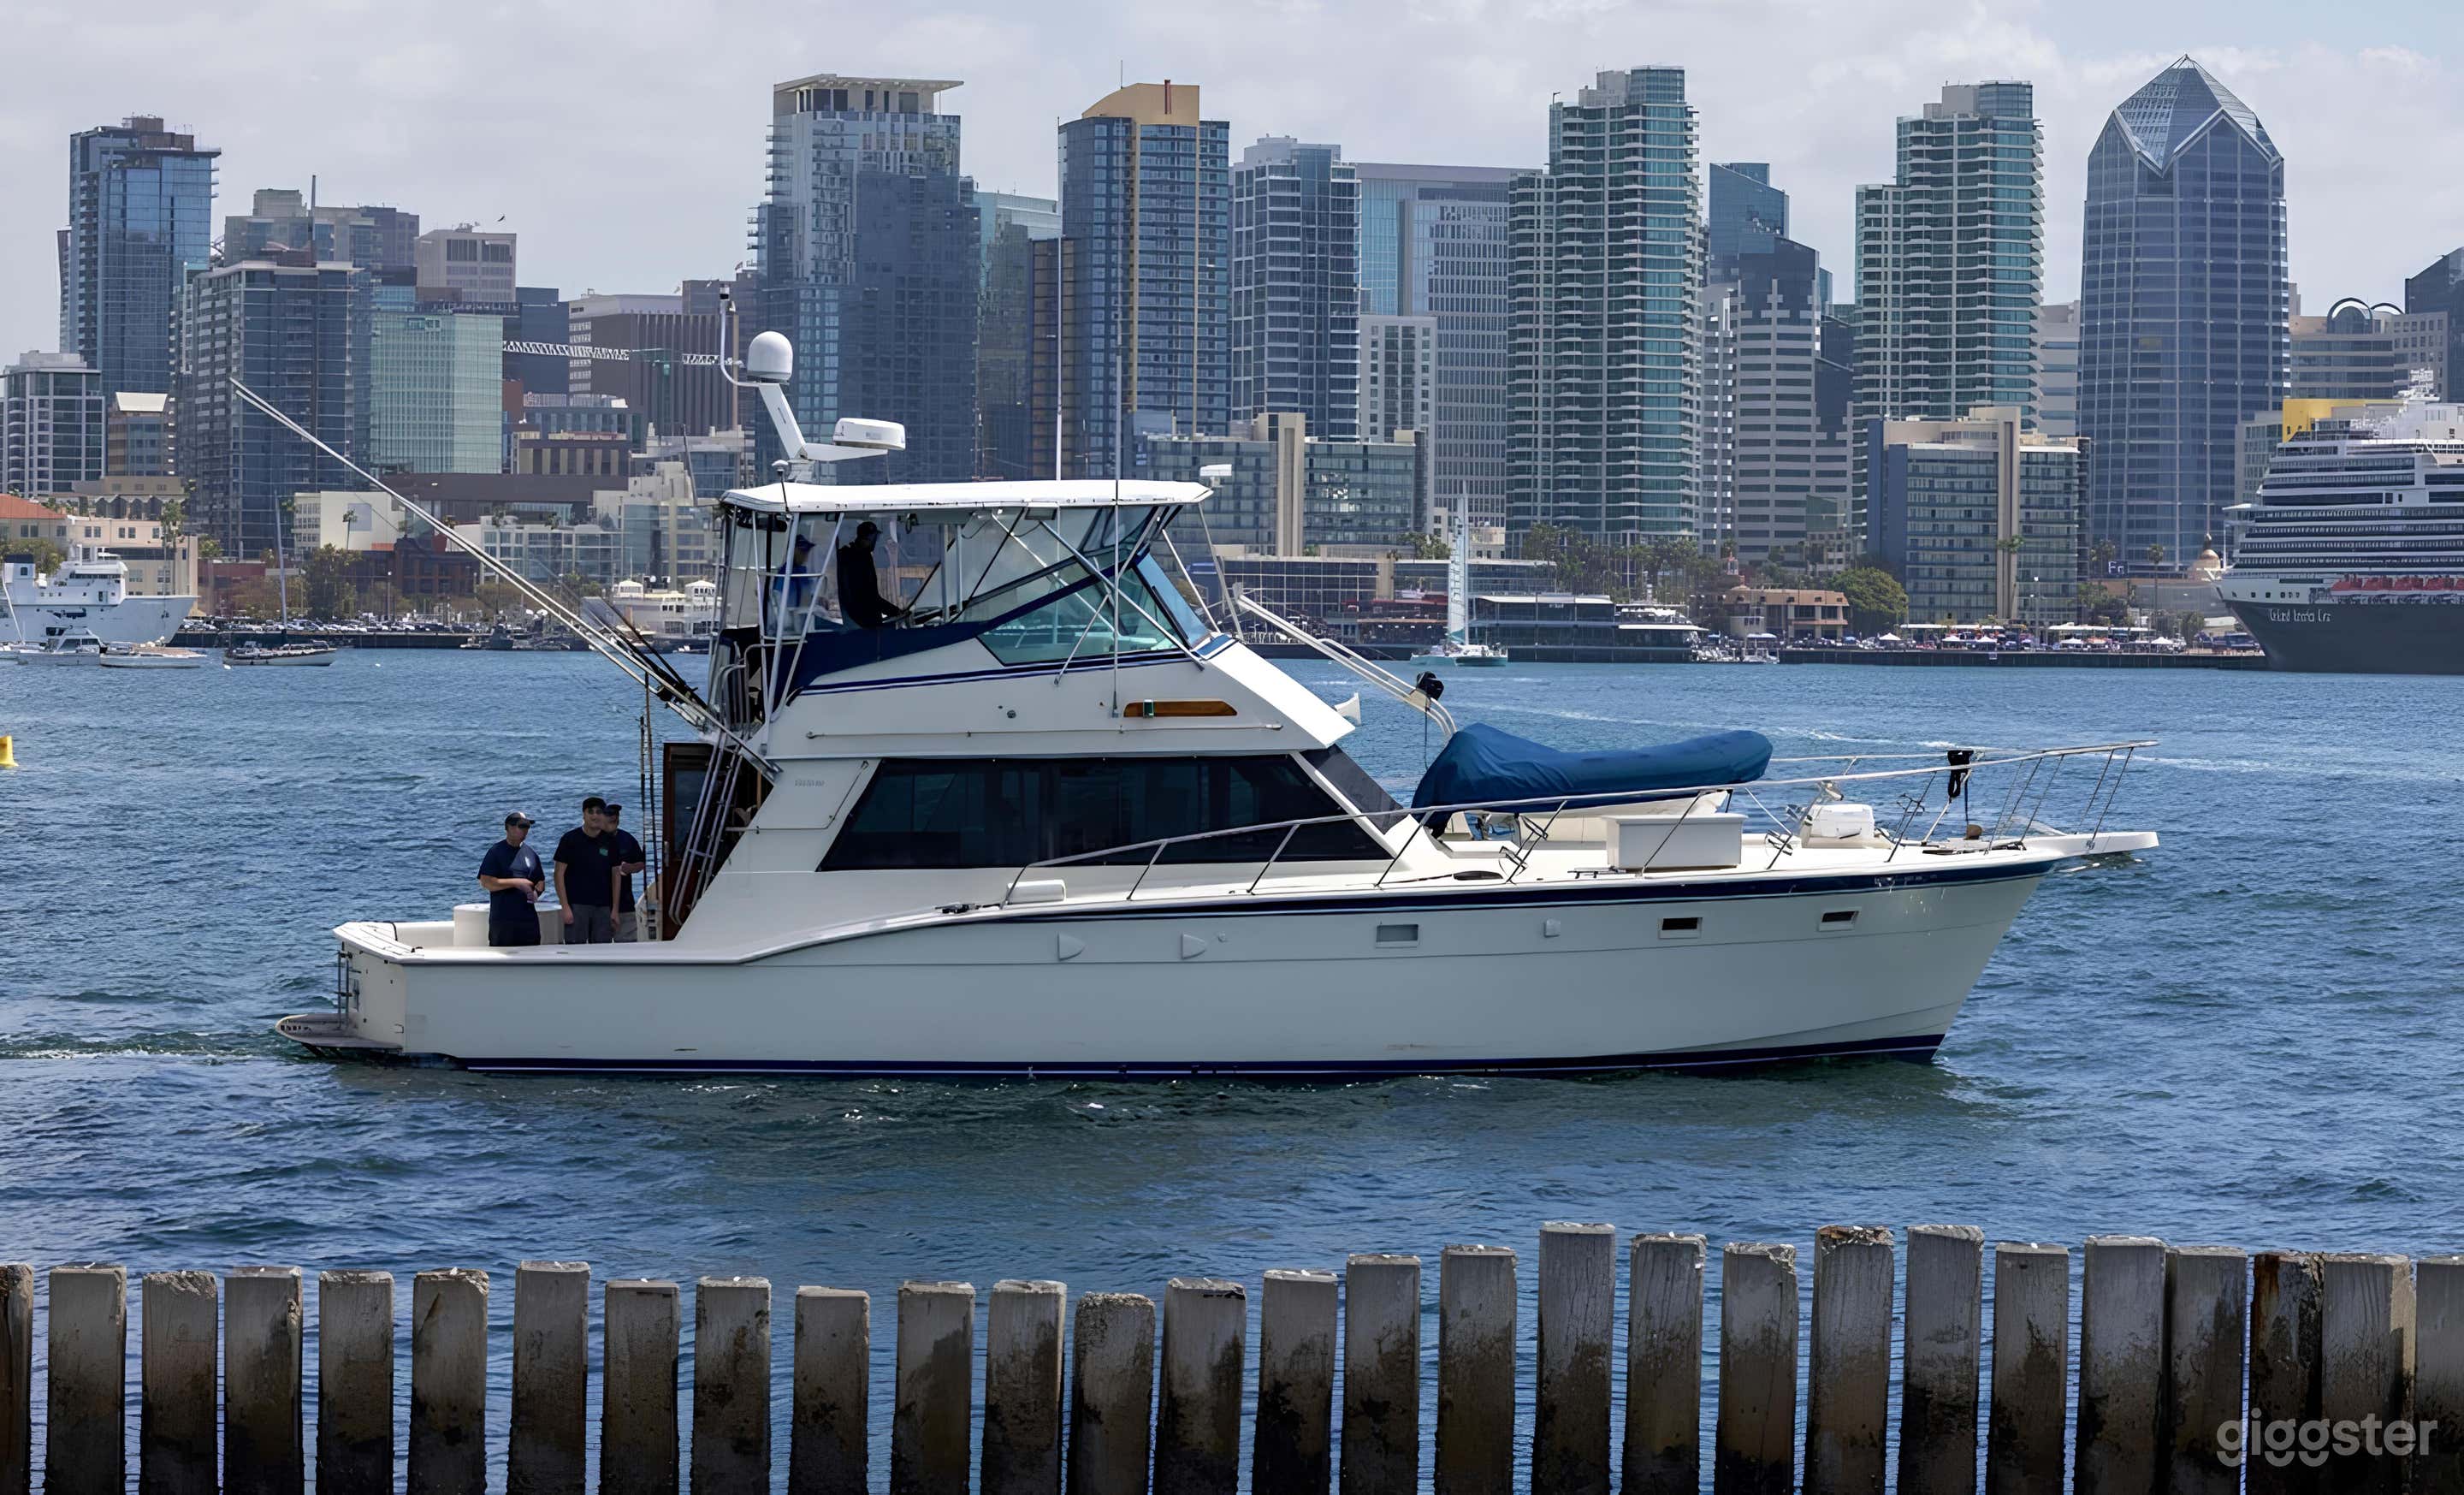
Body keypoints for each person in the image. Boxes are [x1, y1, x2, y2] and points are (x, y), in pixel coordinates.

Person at [553, 797, 619, 944]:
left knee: (603, 953)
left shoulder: (610, 841)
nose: (595, 816)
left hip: (603, 907)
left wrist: (614, 909)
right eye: (590, 812)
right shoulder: (569, 839)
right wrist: (565, 906)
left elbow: (616, 875)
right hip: (576, 906)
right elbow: (558, 873)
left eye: (598, 812)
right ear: (584, 814)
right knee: (575, 951)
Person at [476, 812, 546, 948]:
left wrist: (536, 892)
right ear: (510, 827)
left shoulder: (531, 854)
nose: (526, 830)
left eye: (528, 827)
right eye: (522, 826)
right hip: (503, 923)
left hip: (528, 923)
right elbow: (486, 882)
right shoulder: (496, 852)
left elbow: (540, 881)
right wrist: (518, 883)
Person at [836, 520, 906, 629]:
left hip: (857, 620)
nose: (875, 542)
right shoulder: (859, 559)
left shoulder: (851, 555)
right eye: (874, 539)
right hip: (863, 623)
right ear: (866, 539)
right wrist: (895, 611)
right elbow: (870, 597)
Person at [606, 802, 646, 943]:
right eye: (609, 815)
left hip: (625, 904)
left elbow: (641, 864)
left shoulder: (628, 839)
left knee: (627, 946)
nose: (613, 818)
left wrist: (630, 868)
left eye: (615, 816)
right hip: (599, 906)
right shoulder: (594, 840)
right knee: (598, 948)